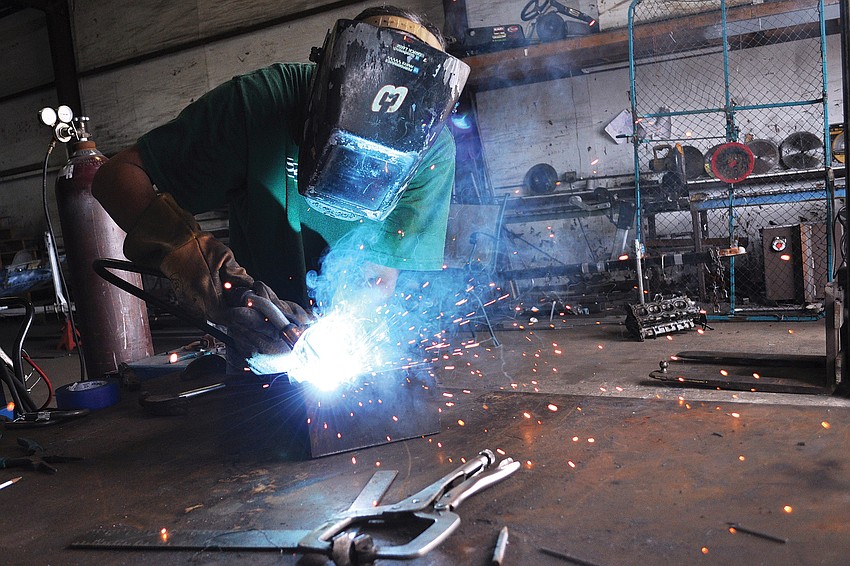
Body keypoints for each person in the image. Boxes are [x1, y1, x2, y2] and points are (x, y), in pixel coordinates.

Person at [92, 6, 469, 358]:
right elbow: (117, 176)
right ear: (325, 82)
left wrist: (336, 333)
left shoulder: (432, 149)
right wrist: (208, 275)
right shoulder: (259, 105)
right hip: (253, 340)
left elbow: (378, 276)